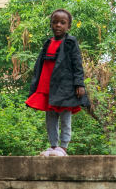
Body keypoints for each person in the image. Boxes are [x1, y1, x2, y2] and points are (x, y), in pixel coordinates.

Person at [25, 9, 89, 156]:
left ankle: (64, 147)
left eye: (62, 22)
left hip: (65, 88)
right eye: (55, 22)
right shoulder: (48, 43)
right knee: (51, 119)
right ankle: (53, 147)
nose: (58, 25)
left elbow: (77, 64)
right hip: (48, 87)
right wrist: (35, 87)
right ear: (51, 25)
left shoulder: (70, 42)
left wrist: (79, 84)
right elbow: (39, 66)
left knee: (66, 118)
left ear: (69, 26)